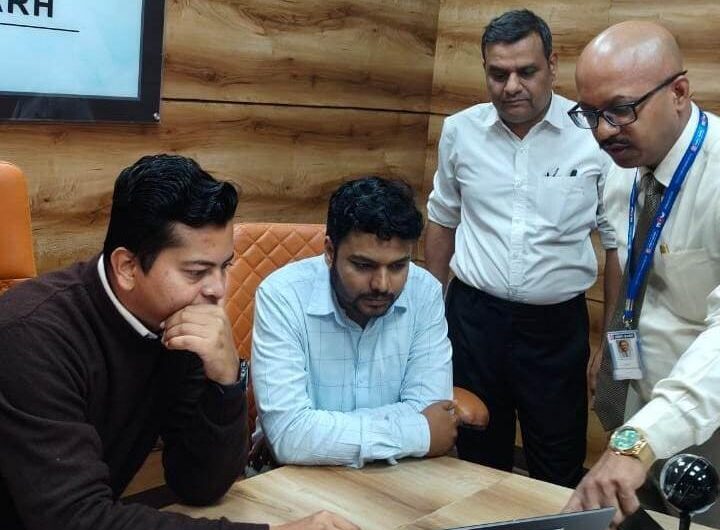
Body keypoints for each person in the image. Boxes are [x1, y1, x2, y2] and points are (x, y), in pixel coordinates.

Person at [0, 155, 358, 530]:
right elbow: (76, 519)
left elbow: (199, 485)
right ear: (127, 267)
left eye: (225, 266)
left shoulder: (177, 319)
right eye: (197, 272)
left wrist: (226, 380)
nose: (218, 290)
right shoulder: (30, 338)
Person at [424, 9, 618, 488]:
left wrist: (613, 339)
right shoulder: (460, 131)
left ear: (552, 65)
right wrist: (429, 317)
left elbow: (617, 245)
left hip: (556, 330)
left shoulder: (591, 136)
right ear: (485, 70)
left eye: (526, 71)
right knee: (473, 457)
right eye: (498, 73)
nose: (512, 86)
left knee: (557, 463)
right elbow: (442, 219)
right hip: (474, 320)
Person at [565, 21, 720, 528]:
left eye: (620, 109)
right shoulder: (624, 166)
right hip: (639, 407)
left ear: (679, 93)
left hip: (704, 416)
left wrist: (645, 438)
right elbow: (638, 278)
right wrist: (611, 347)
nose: (603, 131)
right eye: (590, 114)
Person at [251, 176, 458, 467]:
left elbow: (432, 409)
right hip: (298, 476)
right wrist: (419, 432)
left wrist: (317, 433)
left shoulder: (424, 292)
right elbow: (290, 436)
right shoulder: (282, 295)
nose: (382, 284)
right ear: (329, 252)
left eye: (398, 266)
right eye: (363, 266)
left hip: (401, 471)